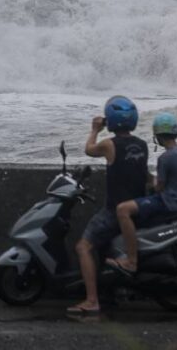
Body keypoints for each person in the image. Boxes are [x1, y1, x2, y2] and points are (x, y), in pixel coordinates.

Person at [67, 95, 149, 314]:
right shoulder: (142, 145)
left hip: (115, 211)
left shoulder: (108, 145)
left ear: (110, 120)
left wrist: (95, 128)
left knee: (83, 247)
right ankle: (111, 291)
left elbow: (89, 149)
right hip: (138, 206)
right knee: (104, 247)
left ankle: (92, 300)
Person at [108, 112, 177, 274]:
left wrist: (151, 180)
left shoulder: (165, 158)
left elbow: (159, 189)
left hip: (169, 203)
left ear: (157, 136)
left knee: (123, 210)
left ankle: (131, 261)